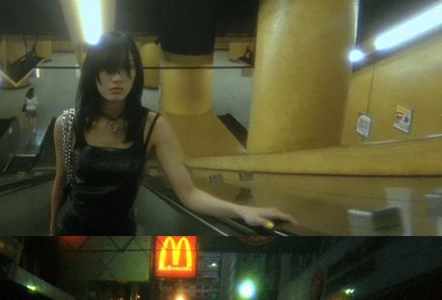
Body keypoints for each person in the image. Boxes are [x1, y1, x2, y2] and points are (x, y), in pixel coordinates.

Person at [49, 30, 295, 239]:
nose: (118, 78)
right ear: (93, 73)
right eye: (108, 69)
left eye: (127, 68)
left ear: (136, 74)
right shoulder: (68, 123)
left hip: (122, 231)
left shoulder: (152, 125)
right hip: (71, 229)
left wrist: (242, 211)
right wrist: (51, 233)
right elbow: (60, 184)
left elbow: (189, 193)